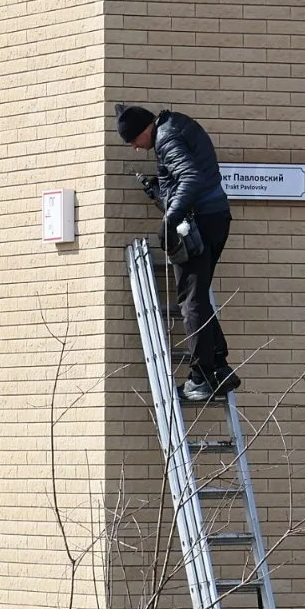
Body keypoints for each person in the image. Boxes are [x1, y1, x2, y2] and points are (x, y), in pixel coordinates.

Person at [116, 103, 240, 403]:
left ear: (144, 130)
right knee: (197, 295)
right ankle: (219, 367)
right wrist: (161, 190)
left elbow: (191, 178)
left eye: (133, 141)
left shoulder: (167, 139)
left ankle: (201, 376)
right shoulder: (175, 127)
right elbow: (186, 176)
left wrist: (170, 219)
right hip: (215, 217)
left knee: (190, 300)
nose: (134, 148)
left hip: (198, 224)